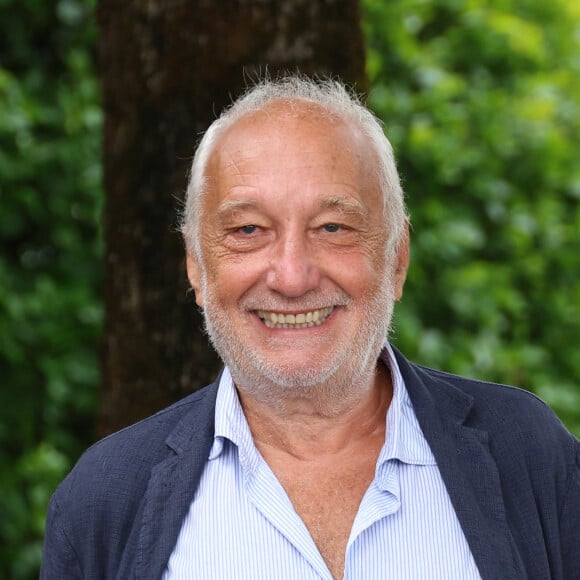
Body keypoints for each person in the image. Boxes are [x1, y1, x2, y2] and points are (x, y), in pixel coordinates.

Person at [41, 76, 579, 580]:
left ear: (396, 258)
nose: (292, 276)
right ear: (196, 266)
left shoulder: (528, 454)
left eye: (333, 227)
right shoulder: (103, 501)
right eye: (249, 229)